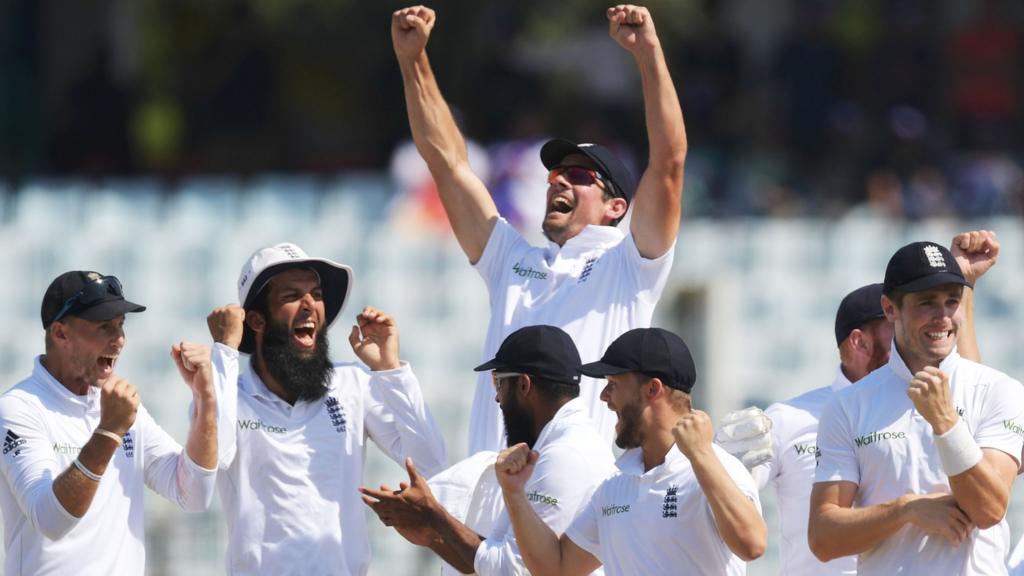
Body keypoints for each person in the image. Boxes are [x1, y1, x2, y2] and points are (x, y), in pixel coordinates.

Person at [391, 3, 687, 453]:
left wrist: (647, 53)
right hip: (493, 500)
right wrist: (413, 62)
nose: (560, 181)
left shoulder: (630, 264)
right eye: (555, 176)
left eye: (582, 177)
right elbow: (448, 164)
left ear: (617, 206)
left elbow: (668, 164)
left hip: (581, 505)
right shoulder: (513, 260)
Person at [715, 230, 999, 575]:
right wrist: (718, 466)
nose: (916, 328)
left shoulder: (933, 401)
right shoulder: (789, 418)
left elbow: (971, 387)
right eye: (892, 321)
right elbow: (734, 507)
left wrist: (964, 284)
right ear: (859, 341)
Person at [205, 242, 447, 575]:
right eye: (292, 296)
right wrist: (225, 351)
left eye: (316, 294)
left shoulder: (352, 382)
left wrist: (390, 370)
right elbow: (212, 459)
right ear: (257, 321)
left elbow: (432, 463)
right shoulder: (228, 395)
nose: (311, 306)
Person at [809, 237, 1024, 575]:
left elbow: (989, 509)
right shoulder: (848, 405)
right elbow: (823, 538)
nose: (943, 317)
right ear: (890, 308)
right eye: (926, 303)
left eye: (952, 302)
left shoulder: (1000, 390)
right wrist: (906, 510)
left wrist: (946, 422)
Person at [495, 328, 765, 575]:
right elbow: (557, 568)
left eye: (613, 383)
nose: (603, 396)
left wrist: (702, 455)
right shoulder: (613, 487)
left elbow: (752, 545)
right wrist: (514, 493)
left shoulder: (718, 467)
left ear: (652, 389)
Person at [0, 271, 218, 575]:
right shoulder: (19, 408)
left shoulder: (125, 409)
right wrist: (109, 432)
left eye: (120, 326)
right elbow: (52, 520)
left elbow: (193, 494)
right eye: (104, 327)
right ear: (61, 333)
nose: (118, 341)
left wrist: (205, 399)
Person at [360, 325, 615, 575]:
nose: (497, 398)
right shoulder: (559, 446)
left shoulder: (566, 456)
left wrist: (434, 515)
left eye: (498, 382)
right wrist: (433, 535)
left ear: (524, 385)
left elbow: (510, 570)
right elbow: (494, 559)